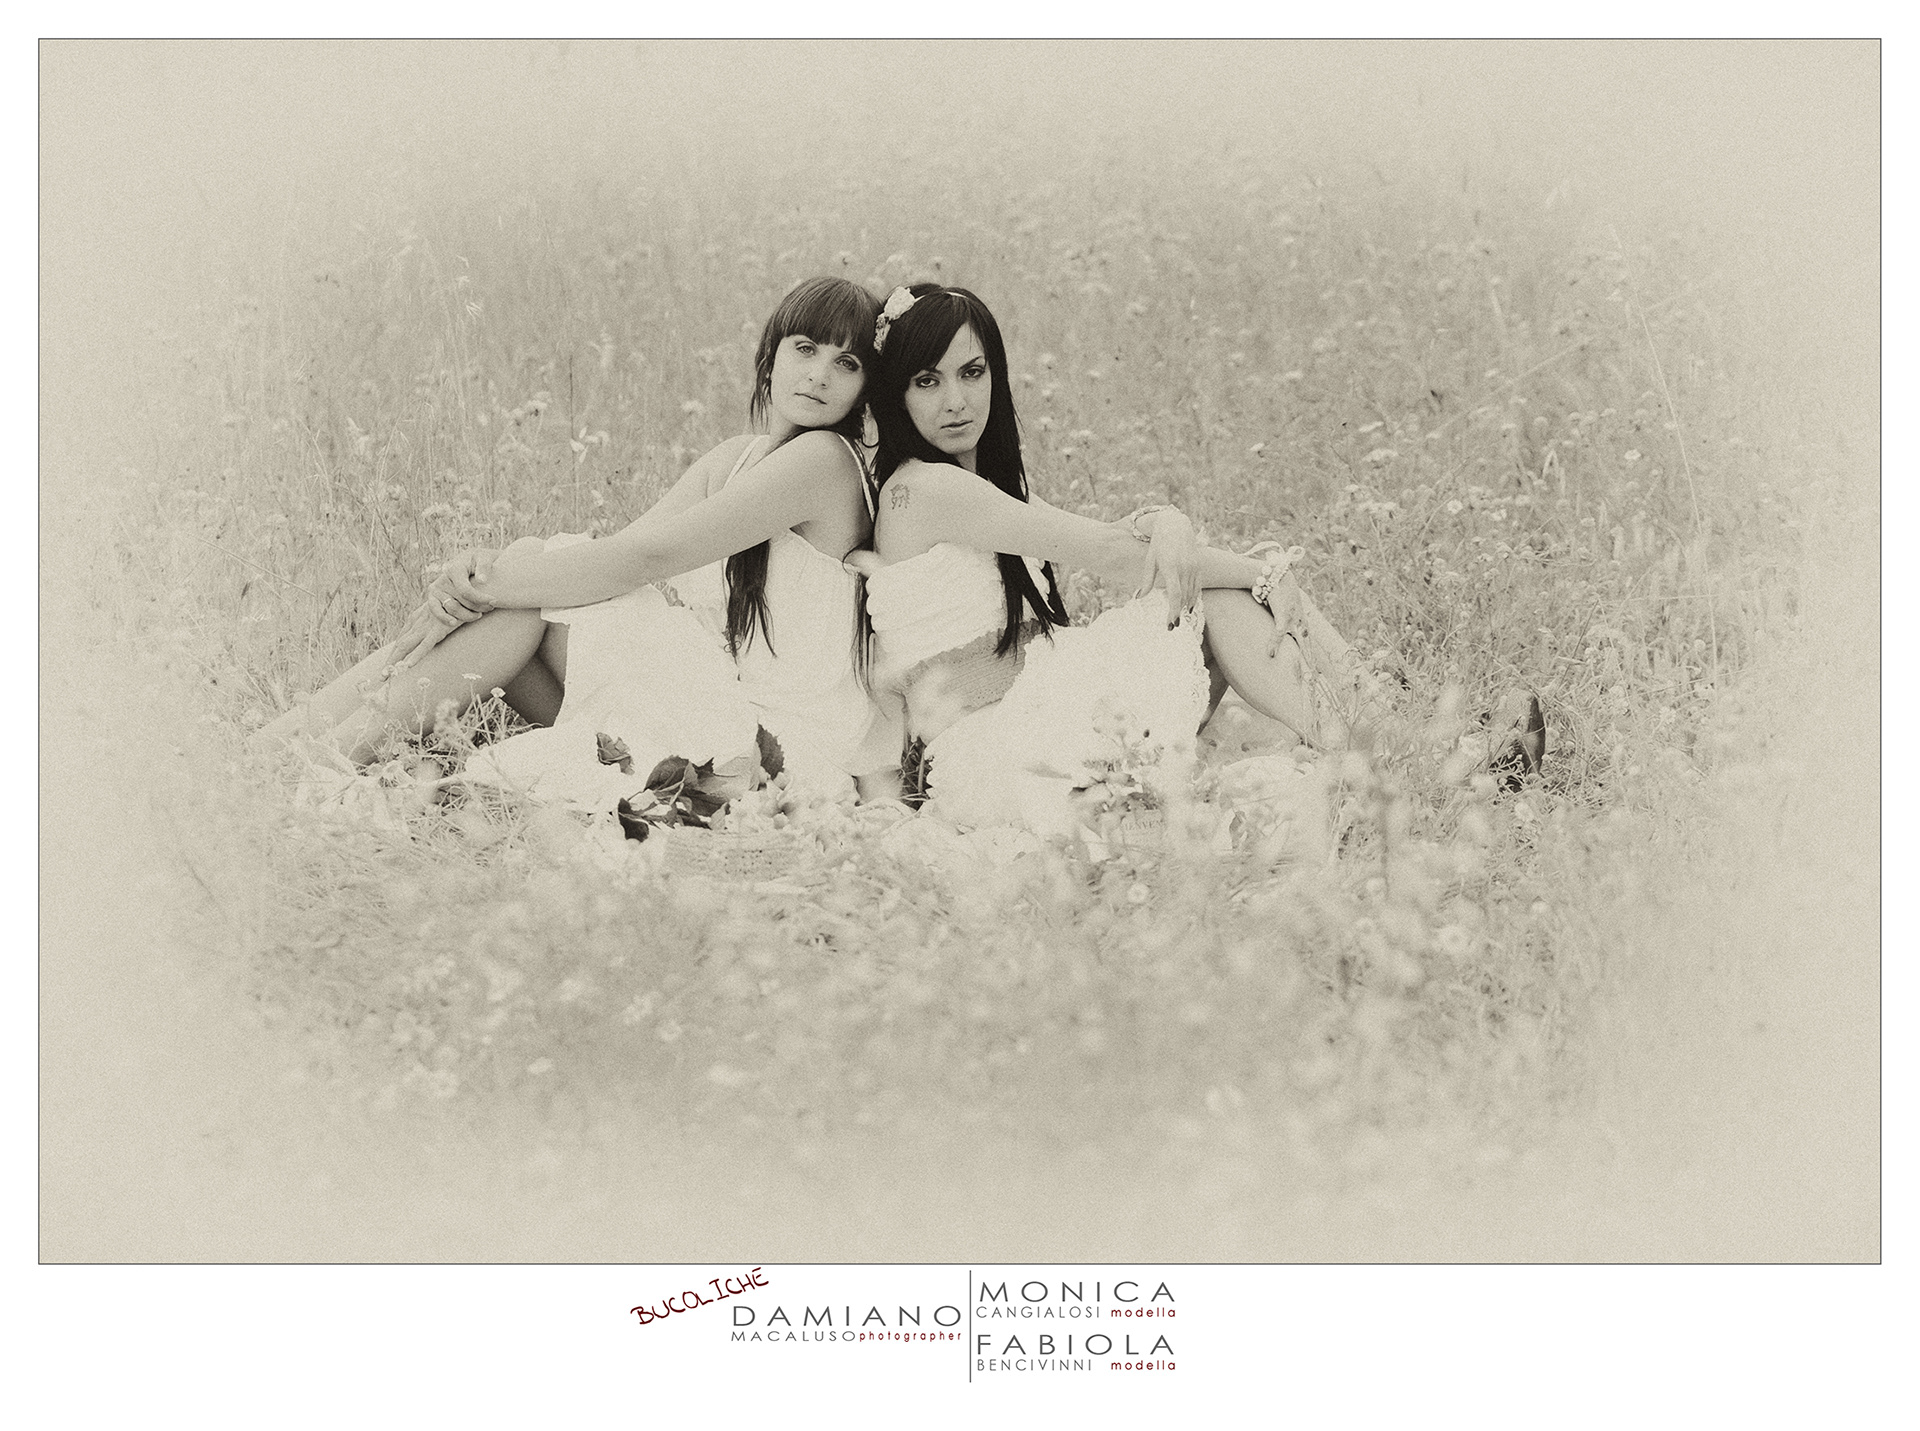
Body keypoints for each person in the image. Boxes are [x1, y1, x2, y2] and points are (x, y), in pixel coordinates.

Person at [259, 276, 902, 810]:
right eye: (805, 349)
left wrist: (488, 583)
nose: (819, 375)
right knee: (528, 584)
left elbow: (644, 561)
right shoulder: (738, 459)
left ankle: (306, 760)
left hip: (770, 746)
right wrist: (489, 573)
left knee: (523, 595)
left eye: (845, 364)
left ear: (865, 389)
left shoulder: (825, 461)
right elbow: (617, 552)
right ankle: (290, 746)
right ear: (772, 354)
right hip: (709, 705)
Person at [854, 282, 1391, 839]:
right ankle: (1370, 744)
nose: (956, 401)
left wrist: (1166, 521)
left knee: (1215, 594)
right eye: (927, 381)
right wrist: (1266, 573)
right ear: (898, 394)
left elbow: (1111, 536)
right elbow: (1111, 554)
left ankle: (1368, 732)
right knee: (1219, 596)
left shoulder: (983, 485)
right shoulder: (927, 491)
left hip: (1038, 710)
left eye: (972, 373)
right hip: (996, 747)